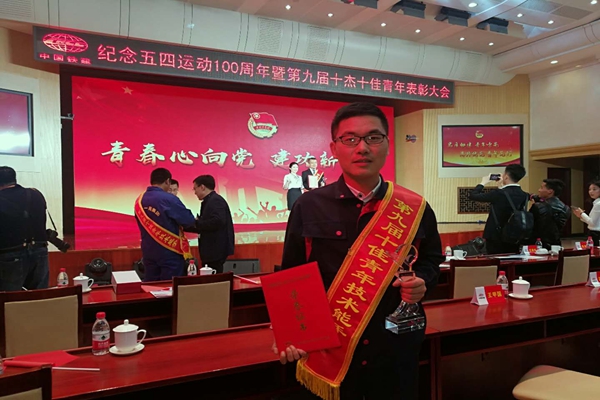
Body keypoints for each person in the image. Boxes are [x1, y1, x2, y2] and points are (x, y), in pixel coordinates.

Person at [277, 102, 443, 400]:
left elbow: (431, 259)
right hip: (330, 348)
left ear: (387, 144)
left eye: (373, 138)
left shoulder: (415, 207)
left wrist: (423, 282)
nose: (362, 148)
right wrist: (291, 333)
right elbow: (292, 274)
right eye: (350, 139)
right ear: (334, 147)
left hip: (394, 347)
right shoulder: (308, 205)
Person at [134, 168, 195, 281]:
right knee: (170, 286)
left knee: (151, 285)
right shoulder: (169, 199)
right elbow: (188, 220)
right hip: (169, 251)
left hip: (148, 250)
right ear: (167, 181)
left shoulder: (140, 200)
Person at [0, 167, 50, 291]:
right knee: (39, 296)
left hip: (10, 254)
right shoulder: (35, 194)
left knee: (10, 298)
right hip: (40, 252)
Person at [469, 165, 529, 255]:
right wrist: (501, 186)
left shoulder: (498, 193)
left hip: (496, 235)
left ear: (506, 176)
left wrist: (483, 182)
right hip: (515, 235)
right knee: (512, 258)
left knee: (495, 259)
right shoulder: (524, 195)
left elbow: (473, 195)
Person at [187, 175, 234, 273]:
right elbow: (205, 225)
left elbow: (218, 221)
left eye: (195, 189)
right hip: (211, 250)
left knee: (214, 276)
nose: (195, 192)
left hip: (215, 250)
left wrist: (197, 223)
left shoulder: (215, 200)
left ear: (202, 187)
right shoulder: (209, 200)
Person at [529, 179, 570, 250]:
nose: (539, 190)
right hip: (556, 245)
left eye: (541, 187)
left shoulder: (539, 206)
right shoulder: (565, 208)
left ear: (550, 191)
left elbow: (530, 225)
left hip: (538, 244)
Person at [573, 180, 600, 246]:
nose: (591, 191)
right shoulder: (596, 203)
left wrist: (581, 213)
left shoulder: (598, 204)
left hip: (596, 233)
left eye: (594, 189)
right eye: (589, 189)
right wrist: (581, 216)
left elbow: (592, 223)